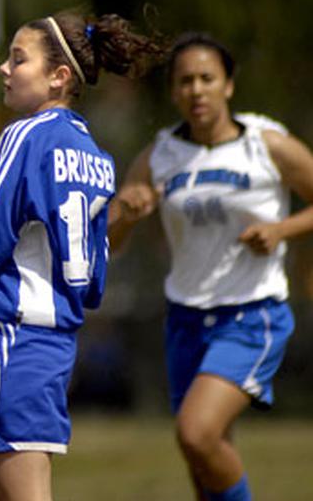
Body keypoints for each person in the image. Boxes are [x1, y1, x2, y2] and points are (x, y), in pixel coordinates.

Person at [0, 12, 164, 500]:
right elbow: (95, 268)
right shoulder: (97, 156)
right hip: (49, 340)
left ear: (59, 77)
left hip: (16, 337)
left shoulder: (27, 134)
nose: (4, 68)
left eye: (18, 58)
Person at [108, 32, 313, 501]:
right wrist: (129, 216)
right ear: (174, 92)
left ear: (228, 86)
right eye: (184, 81)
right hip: (186, 318)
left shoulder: (265, 145)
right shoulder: (159, 155)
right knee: (204, 461)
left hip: (251, 313)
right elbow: (112, 243)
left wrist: (281, 231)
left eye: (206, 78)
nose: (196, 90)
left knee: (196, 433)